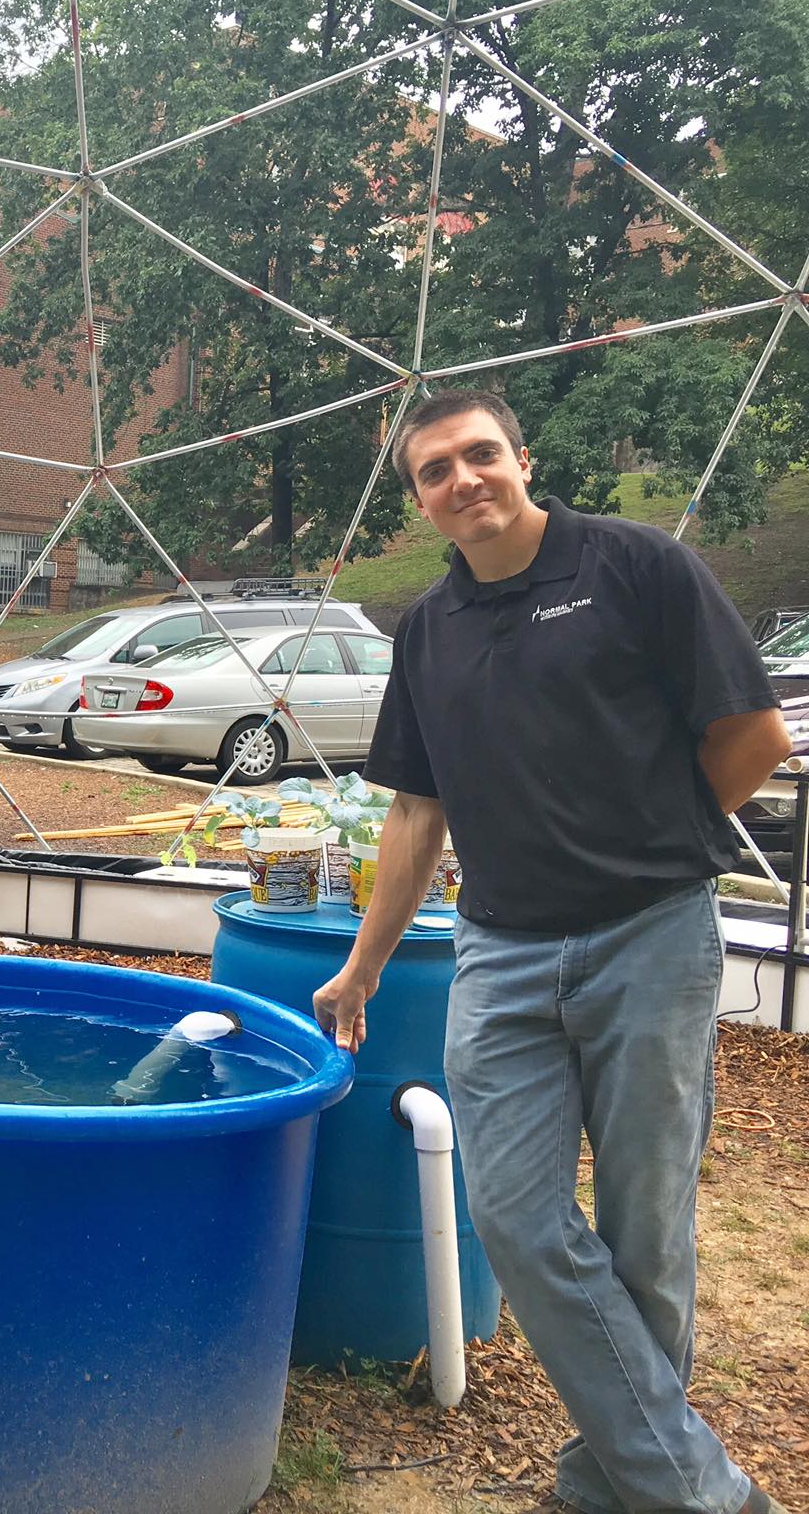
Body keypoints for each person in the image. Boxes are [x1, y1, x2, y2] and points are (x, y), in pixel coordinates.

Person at [312, 390, 792, 1514]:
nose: (461, 479)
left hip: (648, 940)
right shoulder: (427, 628)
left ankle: (604, 1481)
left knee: (642, 1226)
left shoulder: (634, 567)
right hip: (498, 954)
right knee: (516, 1218)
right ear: (418, 501)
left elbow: (752, 735)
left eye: (478, 454)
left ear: (522, 459)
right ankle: (696, 1493)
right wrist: (365, 961)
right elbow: (413, 817)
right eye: (433, 471)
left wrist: (653, 851)